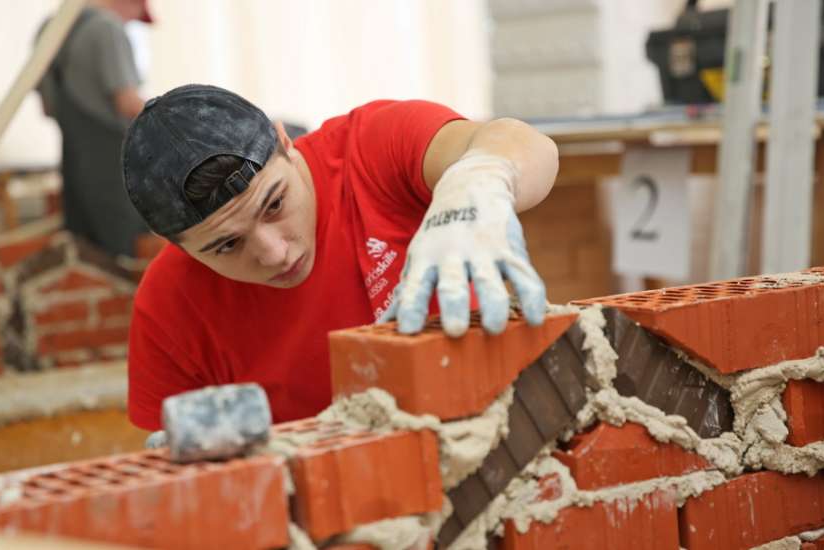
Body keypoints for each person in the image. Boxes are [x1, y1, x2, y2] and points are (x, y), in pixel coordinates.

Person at [121, 84, 559, 431]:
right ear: (173, 244)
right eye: (227, 245)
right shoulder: (168, 309)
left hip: (484, 432)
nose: (275, 252)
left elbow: (518, 141)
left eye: (274, 204)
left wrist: (480, 179)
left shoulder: (371, 152)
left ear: (284, 141)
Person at [36, 0, 153, 257]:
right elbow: (127, 103)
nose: (130, 23)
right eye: (135, 17)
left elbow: (47, 109)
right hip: (113, 165)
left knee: (86, 253)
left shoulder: (49, 29)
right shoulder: (107, 27)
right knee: (123, 253)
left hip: (74, 164)